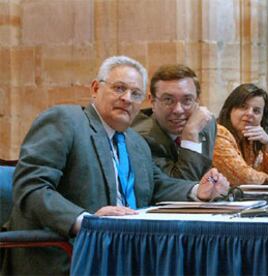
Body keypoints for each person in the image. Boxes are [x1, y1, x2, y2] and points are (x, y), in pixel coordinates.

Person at [5, 56, 229, 275]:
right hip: (69, 252)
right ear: (95, 88)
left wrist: (196, 191)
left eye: (136, 93)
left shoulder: (135, 142)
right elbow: (31, 187)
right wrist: (86, 222)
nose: (127, 98)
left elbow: (157, 185)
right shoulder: (66, 121)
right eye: (119, 88)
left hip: (125, 253)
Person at [131, 64, 216, 181]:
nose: (178, 110)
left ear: (197, 101)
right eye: (168, 100)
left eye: (187, 100)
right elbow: (179, 186)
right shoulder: (141, 138)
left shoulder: (206, 125)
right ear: (152, 101)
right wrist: (190, 135)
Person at [213, 83, 268, 186]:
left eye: (256, 111)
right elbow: (243, 178)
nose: (250, 113)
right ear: (230, 109)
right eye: (243, 107)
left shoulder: (249, 139)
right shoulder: (218, 133)